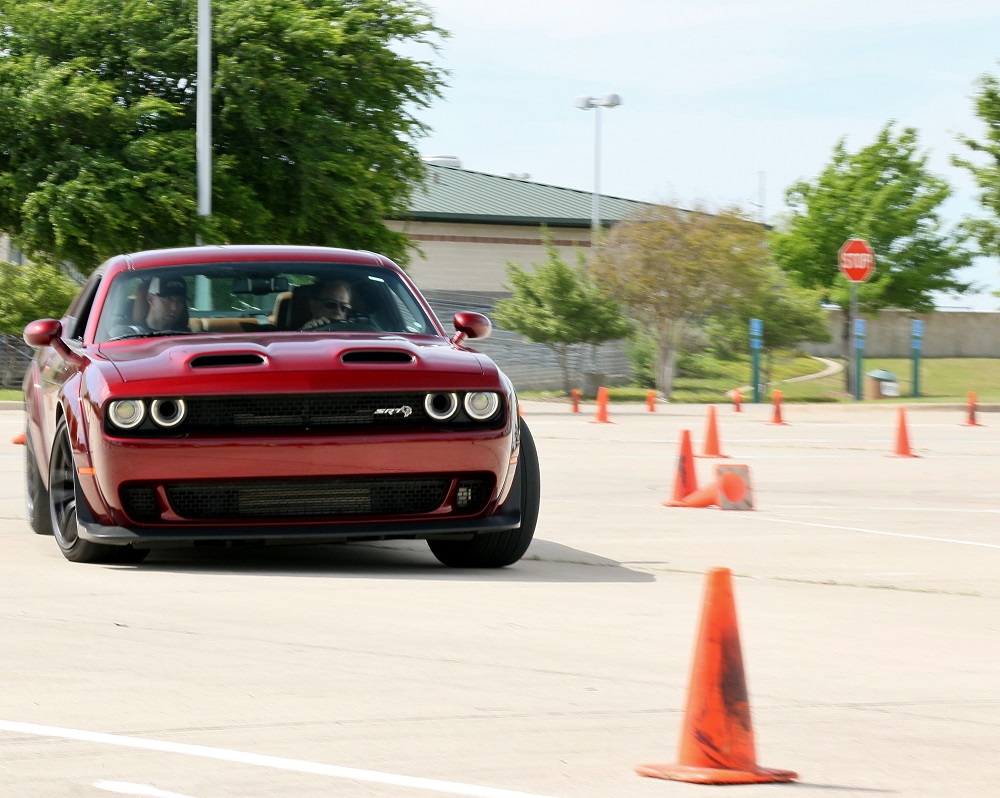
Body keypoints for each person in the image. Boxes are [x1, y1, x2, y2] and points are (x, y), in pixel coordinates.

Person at [111, 276, 189, 337]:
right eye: (168, 299)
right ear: (150, 299)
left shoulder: (190, 338)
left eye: (180, 301)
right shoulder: (126, 336)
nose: (174, 307)